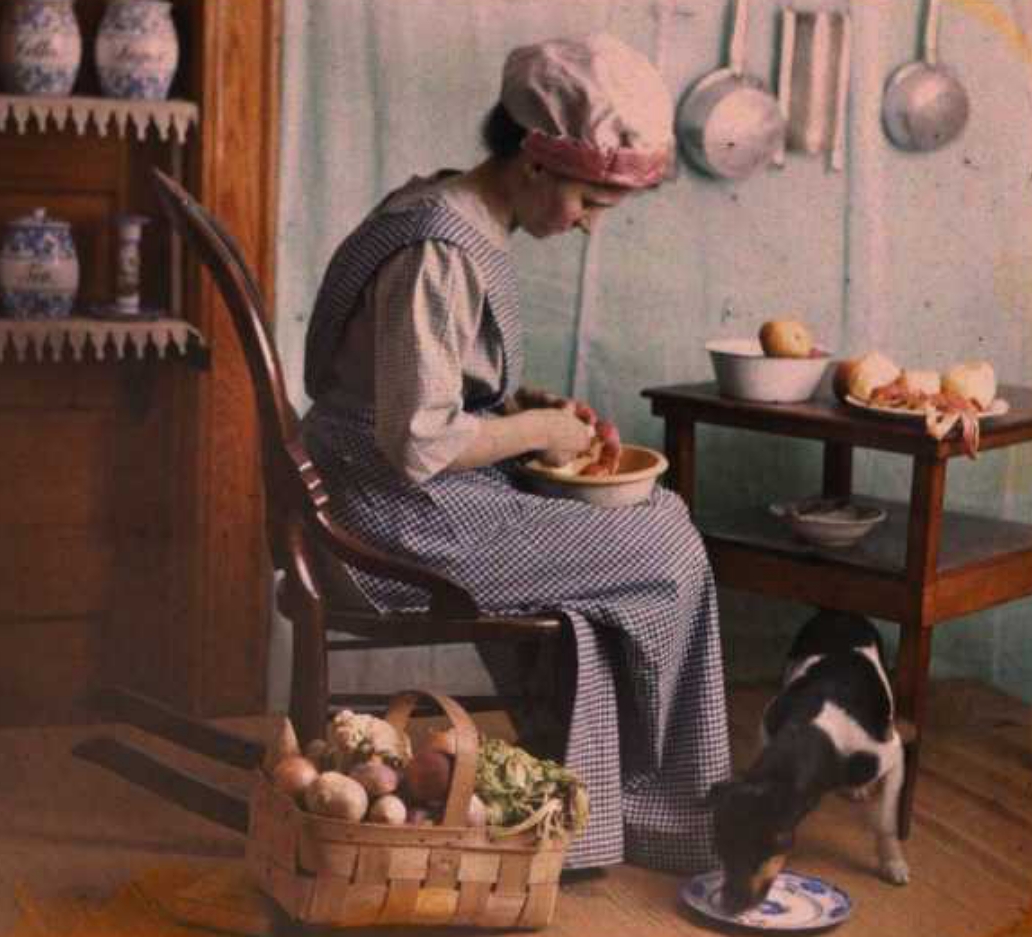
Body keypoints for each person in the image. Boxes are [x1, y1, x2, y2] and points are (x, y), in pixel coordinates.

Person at [300, 33, 729, 873]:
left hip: (387, 491)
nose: (588, 227)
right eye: (588, 203)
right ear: (534, 164)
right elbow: (417, 440)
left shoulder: (447, 210)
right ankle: (663, 811)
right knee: (667, 541)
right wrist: (536, 435)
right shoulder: (439, 248)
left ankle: (590, 814)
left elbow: (421, 389)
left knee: (621, 549)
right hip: (386, 521)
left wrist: (523, 408)